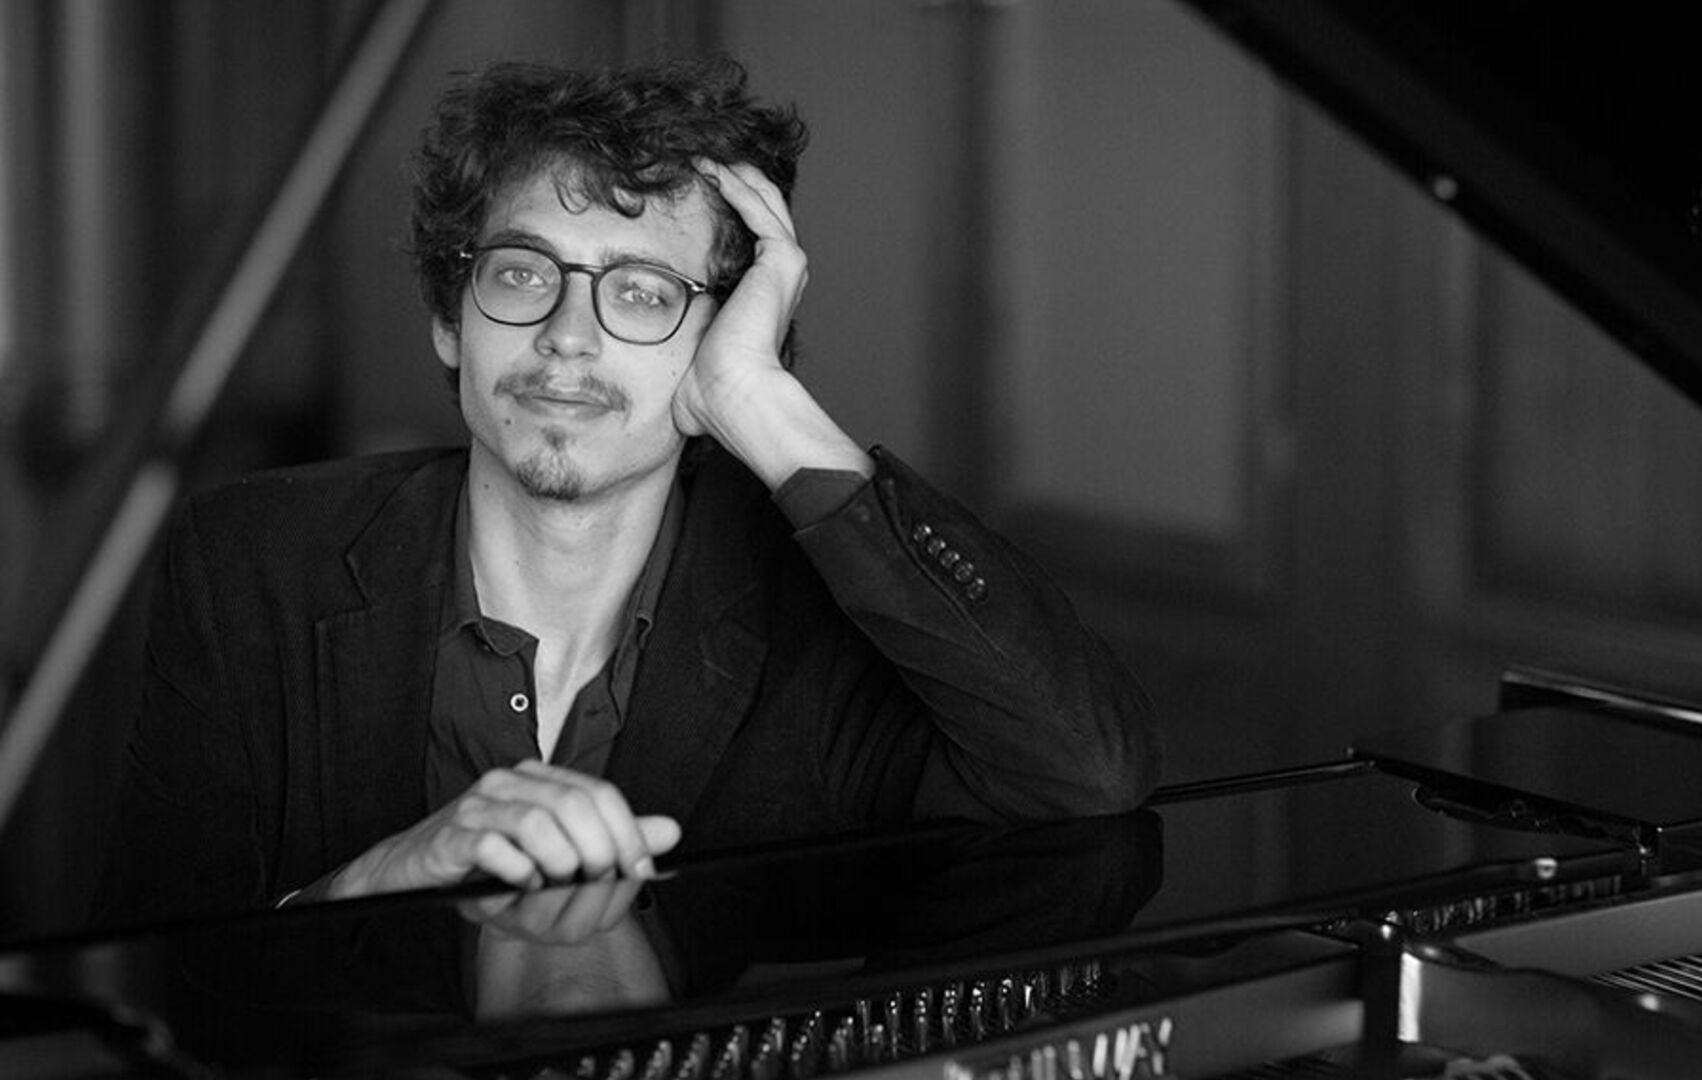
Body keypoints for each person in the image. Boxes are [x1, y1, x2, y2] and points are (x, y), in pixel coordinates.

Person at [94, 55, 1158, 926]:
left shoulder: (815, 613)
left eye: (643, 294)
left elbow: (1085, 772)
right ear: (450, 319)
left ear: (718, 342)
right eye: (521, 273)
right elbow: (149, 971)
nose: (568, 336)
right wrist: (368, 887)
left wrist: (758, 401)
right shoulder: (251, 558)